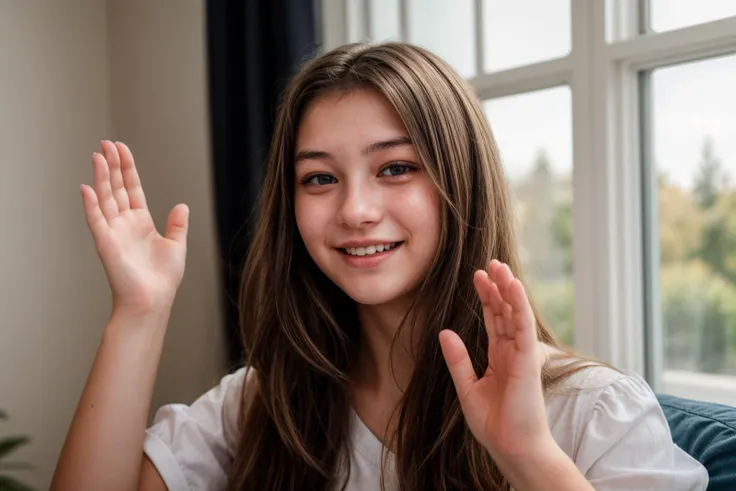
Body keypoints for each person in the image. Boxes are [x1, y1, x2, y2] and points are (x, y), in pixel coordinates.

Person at [50, 42, 708, 491]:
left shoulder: (591, 412)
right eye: (318, 178)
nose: (355, 209)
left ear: (462, 182)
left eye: (396, 167)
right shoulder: (258, 402)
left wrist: (528, 458)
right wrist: (140, 312)